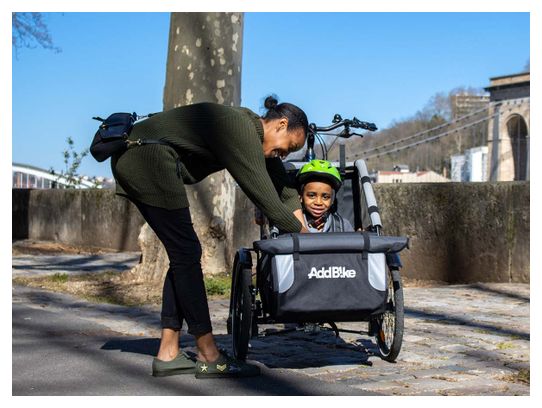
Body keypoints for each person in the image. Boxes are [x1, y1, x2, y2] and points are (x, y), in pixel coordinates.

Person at [111, 95, 309, 378]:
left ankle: (168, 352)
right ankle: (208, 353)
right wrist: (305, 235)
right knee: (187, 253)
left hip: (145, 157)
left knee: (183, 254)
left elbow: (283, 186)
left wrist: (302, 222)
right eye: (289, 147)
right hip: (148, 159)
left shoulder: (251, 131)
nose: (286, 155)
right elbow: (267, 200)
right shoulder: (240, 130)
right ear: (280, 124)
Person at [296, 159, 354, 233]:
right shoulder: (292, 225)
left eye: (325, 197)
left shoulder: (343, 226)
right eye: (311, 195)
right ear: (301, 196)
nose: (318, 202)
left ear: (332, 199)